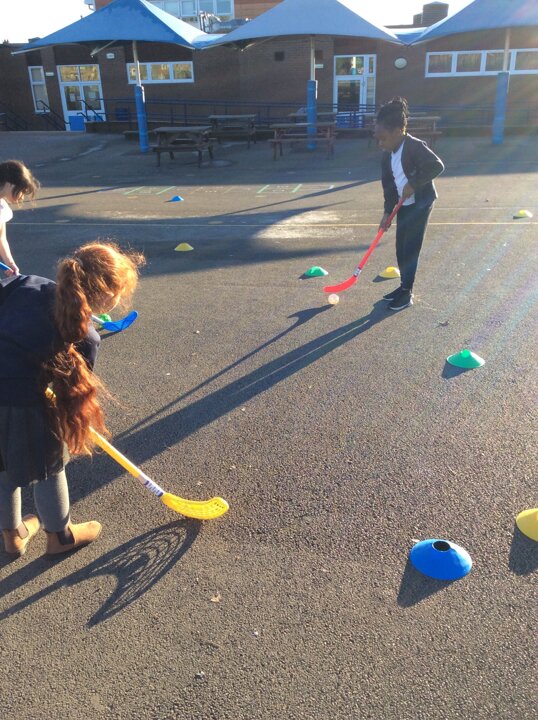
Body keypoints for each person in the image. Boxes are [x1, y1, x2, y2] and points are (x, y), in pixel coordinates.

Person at [0, 241, 145, 557]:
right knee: (50, 466)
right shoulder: (86, 336)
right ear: (108, 295)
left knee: (2, 467)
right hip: (22, 404)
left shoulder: (28, 283)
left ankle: (12, 535)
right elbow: (71, 389)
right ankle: (60, 538)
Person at [374, 97, 444, 311]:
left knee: (411, 248)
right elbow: (389, 188)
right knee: (401, 247)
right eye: (378, 139)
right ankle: (403, 286)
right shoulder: (387, 156)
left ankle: (407, 292)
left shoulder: (414, 146)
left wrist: (413, 183)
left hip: (419, 204)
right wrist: (387, 213)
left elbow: (436, 166)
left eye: (383, 139)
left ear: (398, 131)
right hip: (403, 205)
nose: (380, 144)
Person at [0, 160, 40, 276]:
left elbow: (1, 238)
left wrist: (10, 263)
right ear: (9, 184)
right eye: (21, 190)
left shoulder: (2, 207)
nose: (22, 196)